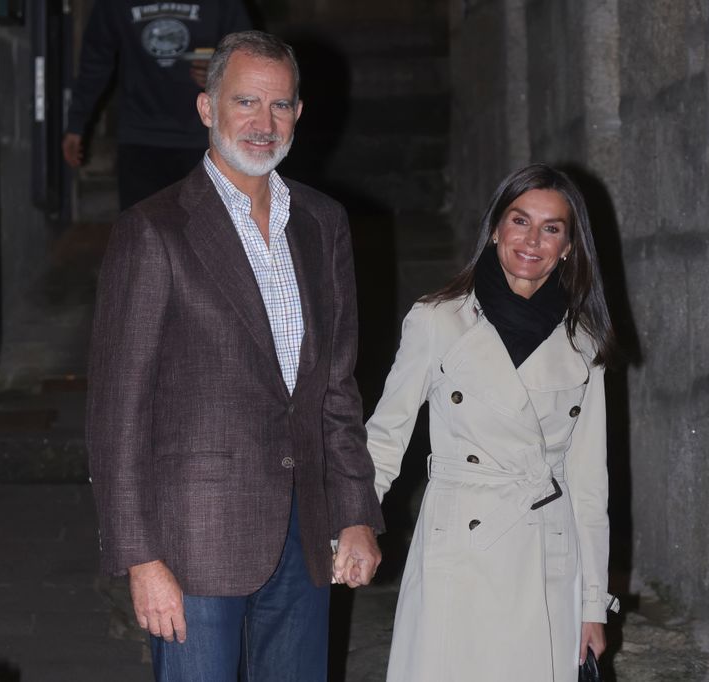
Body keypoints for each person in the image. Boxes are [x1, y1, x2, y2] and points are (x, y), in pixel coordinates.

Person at [85, 30, 384, 681]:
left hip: (303, 536)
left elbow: (335, 385)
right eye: (246, 102)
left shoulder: (322, 222)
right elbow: (118, 413)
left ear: (299, 115)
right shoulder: (153, 230)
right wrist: (141, 559)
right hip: (191, 546)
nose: (263, 122)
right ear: (206, 108)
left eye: (279, 106)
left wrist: (356, 512)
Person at [366, 164, 621, 681]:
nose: (532, 240)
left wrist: (593, 604)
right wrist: (354, 525)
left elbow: (590, 485)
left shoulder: (584, 345)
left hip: (547, 549)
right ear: (496, 230)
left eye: (551, 228)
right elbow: (386, 436)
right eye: (519, 221)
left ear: (569, 245)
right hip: (460, 542)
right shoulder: (439, 320)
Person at [63, 0, 251, 210]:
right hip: (140, 138)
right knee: (141, 234)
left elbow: (250, 56)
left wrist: (220, 72)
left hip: (206, 138)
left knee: (205, 234)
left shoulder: (225, 5)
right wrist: (76, 124)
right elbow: (95, 62)